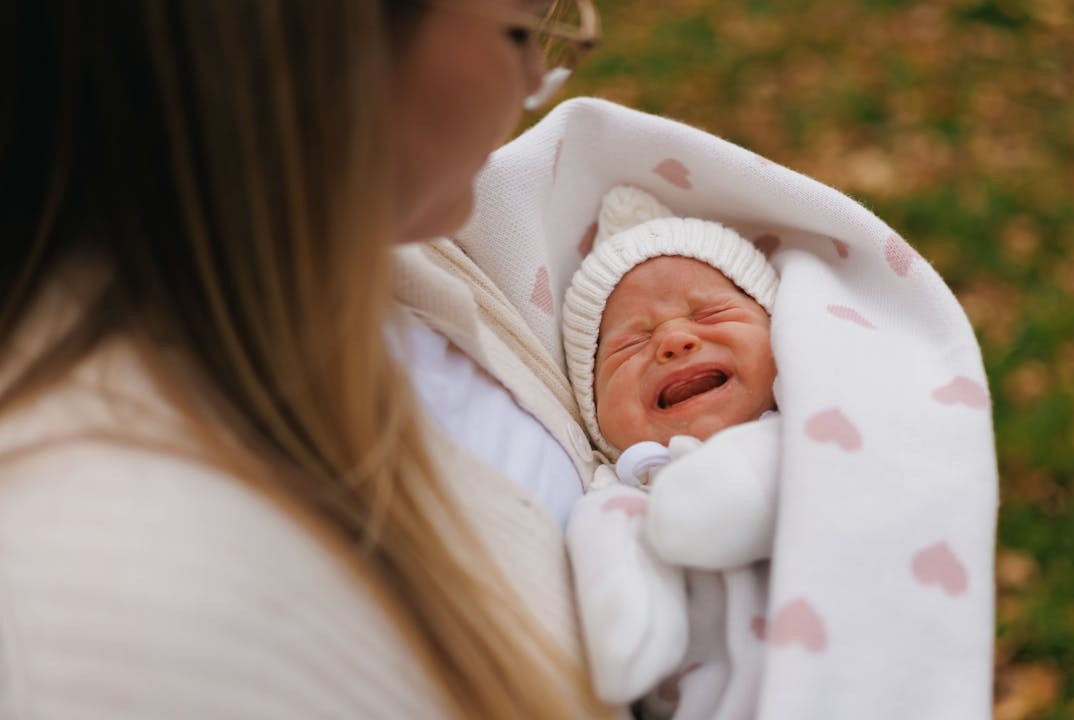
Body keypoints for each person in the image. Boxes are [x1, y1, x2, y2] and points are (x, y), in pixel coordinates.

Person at [0, 1, 615, 718]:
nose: (538, 78)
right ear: (321, 55)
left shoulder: (371, 270)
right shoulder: (123, 617)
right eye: (517, 30)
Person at [560, 185, 785, 718]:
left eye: (709, 314)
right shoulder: (613, 493)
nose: (675, 341)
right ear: (595, 414)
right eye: (629, 344)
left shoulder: (806, 437)